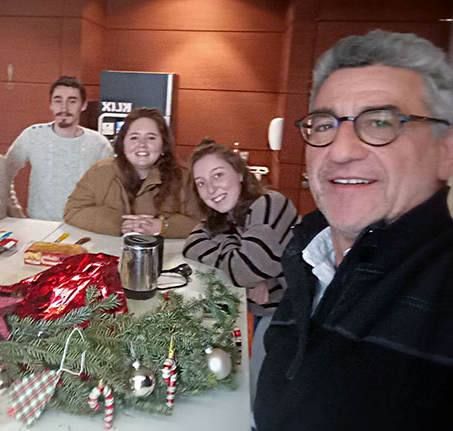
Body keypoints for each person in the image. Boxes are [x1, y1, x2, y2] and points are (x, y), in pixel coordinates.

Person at [254, 30, 453, 431]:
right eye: (324, 124)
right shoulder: (310, 254)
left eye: (381, 122)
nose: (341, 151)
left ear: (445, 154)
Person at [182, 139, 299, 412]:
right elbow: (192, 245)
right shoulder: (225, 220)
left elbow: (244, 270)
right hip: (262, 314)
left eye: (218, 175)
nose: (211, 189)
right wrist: (236, 255)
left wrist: (243, 270)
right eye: (201, 183)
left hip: (295, 320)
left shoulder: (269, 203)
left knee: (261, 403)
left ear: (239, 173)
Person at [64, 107, 202, 237]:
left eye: (151, 137)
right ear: (123, 143)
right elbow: (73, 211)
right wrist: (118, 223)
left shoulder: (184, 177)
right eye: (134, 137)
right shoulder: (100, 171)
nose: (142, 144)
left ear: (163, 146)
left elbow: (202, 222)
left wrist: (163, 227)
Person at [6, 76, 113, 221]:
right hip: (39, 227)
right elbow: (3, 176)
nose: (64, 108)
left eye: (72, 101)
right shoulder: (32, 135)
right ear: (50, 104)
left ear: (83, 105)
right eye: (58, 100)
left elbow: (112, 190)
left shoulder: (99, 144)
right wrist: (14, 211)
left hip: (83, 227)